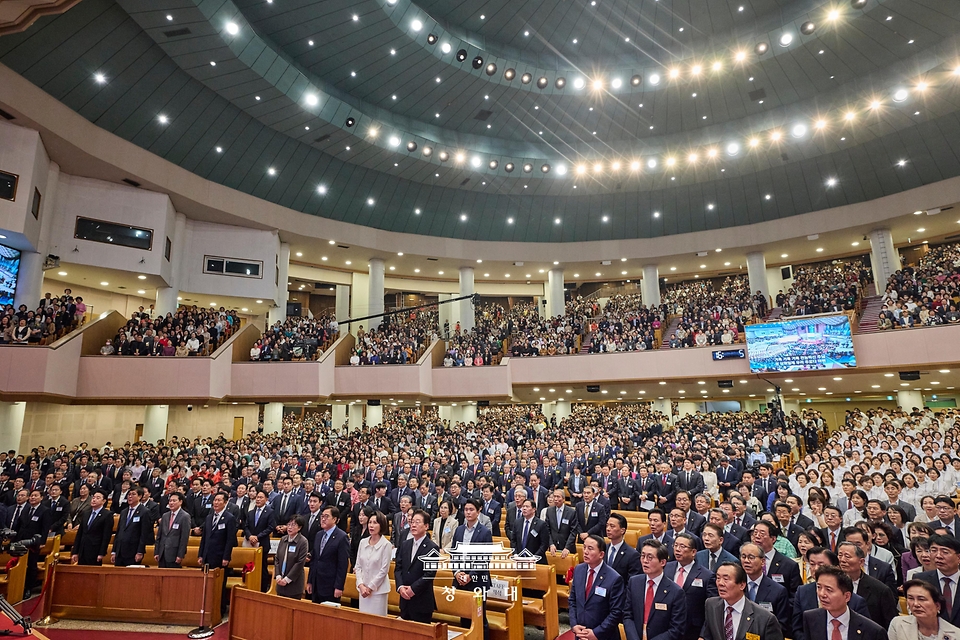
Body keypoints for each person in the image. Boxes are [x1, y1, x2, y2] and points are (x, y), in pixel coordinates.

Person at [792, 547, 872, 640]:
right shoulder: (802, 592)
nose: (816, 568)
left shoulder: (856, 601)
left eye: (821, 565)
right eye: (812, 564)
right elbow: (797, 629)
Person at [700, 562, 785, 640]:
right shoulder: (711, 605)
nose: (720, 583)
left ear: (742, 585)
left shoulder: (765, 618)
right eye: (718, 578)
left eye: (726, 579)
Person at [801, 565, 888, 640]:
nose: (822, 594)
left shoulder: (872, 631)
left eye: (829, 590)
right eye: (819, 587)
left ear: (847, 596)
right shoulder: (810, 618)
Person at [623, 539, 687, 640]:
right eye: (643, 556)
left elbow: (676, 628)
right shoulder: (634, 582)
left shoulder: (676, 592)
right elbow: (627, 616)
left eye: (650, 557)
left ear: (662, 562)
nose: (645, 561)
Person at [568, 534, 626, 640]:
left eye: (590, 549)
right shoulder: (579, 570)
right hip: (580, 633)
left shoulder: (614, 578)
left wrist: (596, 633)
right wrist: (574, 625)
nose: (585, 551)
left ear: (601, 554)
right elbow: (572, 600)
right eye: (584, 547)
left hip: (603, 635)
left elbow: (616, 612)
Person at [837, 541, 899, 630]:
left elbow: (890, 623)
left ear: (861, 562)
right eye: (840, 555)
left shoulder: (880, 590)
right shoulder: (833, 584)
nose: (842, 560)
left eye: (847, 556)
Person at [668, 532, 718, 640]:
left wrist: (703, 635)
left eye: (682, 546)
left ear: (694, 552)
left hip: (692, 631)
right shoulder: (666, 569)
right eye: (675, 545)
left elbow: (711, 609)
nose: (677, 549)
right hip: (667, 629)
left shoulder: (707, 576)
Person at [396, 509, 439, 623]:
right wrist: (400, 587)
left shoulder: (432, 548)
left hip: (421, 602)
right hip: (405, 600)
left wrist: (413, 589)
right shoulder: (405, 544)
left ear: (426, 526)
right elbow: (398, 568)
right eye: (412, 522)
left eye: (417, 522)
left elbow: (429, 574)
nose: (413, 525)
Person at [739, 542, 791, 636]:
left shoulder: (778, 591)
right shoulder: (736, 586)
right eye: (743, 556)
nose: (746, 561)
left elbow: (781, 625)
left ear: (763, 562)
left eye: (751, 557)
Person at [197, 492, 237, 615]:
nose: (216, 502)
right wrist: (201, 554)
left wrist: (226, 557)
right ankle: (207, 607)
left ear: (225, 503)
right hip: (208, 556)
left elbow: (230, 540)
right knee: (208, 584)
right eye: (215, 500)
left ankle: (220, 609)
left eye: (219, 500)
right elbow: (204, 538)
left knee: (219, 584)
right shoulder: (209, 517)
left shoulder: (229, 518)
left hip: (220, 556)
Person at [914, 534, 960, 628]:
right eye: (933, 550)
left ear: (958, 557)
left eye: (945, 552)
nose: (938, 556)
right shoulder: (921, 580)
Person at [889, 579, 960, 640]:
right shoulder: (898, 624)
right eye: (911, 598)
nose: (916, 604)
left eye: (921, 599)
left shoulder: (956, 634)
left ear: (937, 605)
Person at [307, 506, 350, 604]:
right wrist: (310, 581)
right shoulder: (318, 535)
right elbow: (314, 560)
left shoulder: (342, 537)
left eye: (326, 516)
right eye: (322, 516)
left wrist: (339, 586)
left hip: (331, 585)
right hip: (316, 583)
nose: (323, 519)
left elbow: (342, 565)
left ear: (335, 519)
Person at [356, 510, 393, 614]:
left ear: (381, 525)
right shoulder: (363, 542)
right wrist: (361, 585)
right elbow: (358, 566)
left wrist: (370, 587)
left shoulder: (386, 545)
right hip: (363, 591)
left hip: (378, 592)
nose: (371, 525)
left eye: (375, 523)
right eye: (370, 522)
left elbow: (384, 570)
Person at [111, 486, 153, 566]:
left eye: (133, 494)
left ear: (140, 496)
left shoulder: (144, 512)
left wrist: (140, 552)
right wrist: (114, 551)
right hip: (120, 551)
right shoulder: (124, 512)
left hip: (133, 551)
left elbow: (144, 534)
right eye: (129, 494)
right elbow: (119, 532)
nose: (130, 496)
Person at [244, 490, 276, 591]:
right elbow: (245, 527)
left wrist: (257, 537)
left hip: (262, 544)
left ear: (266, 500)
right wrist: (250, 536)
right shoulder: (250, 512)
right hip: (250, 543)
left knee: (262, 568)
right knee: (249, 567)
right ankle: (250, 586)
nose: (258, 499)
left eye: (261, 497)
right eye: (257, 497)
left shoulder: (270, 512)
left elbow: (270, 527)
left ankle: (262, 589)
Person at [72, 489, 112, 565]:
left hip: (95, 550)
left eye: (98, 498)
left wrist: (101, 553)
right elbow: (80, 534)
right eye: (93, 497)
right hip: (83, 550)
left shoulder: (107, 515)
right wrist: (75, 551)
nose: (94, 500)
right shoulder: (86, 513)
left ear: (103, 501)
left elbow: (106, 536)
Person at [274, 515, 309, 600]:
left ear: (299, 528)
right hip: (280, 583)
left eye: (293, 525)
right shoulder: (283, 539)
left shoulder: (303, 542)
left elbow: (300, 563)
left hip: (294, 585)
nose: (289, 527)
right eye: (289, 524)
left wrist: (287, 579)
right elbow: (277, 558)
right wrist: (278, 575)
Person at [154, 491, 191, 568]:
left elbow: (184, 538)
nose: (171, 503)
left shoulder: (185, 516)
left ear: (180, 502)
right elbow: (159, 536)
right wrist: (157, 552)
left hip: (174, 554)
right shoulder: (165, 516)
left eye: (174, 501)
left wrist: (180, 555)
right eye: (170, 501)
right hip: (162, 553)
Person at [605, 513, 642, 581]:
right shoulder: (603, 549)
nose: (608, 529)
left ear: (622, 530)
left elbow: (632, 582)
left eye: (612, 526)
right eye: (607, 525)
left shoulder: (632, 555)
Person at [511, 498, 549, 563]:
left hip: (536, 561)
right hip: (520, 560)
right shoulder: (517, 522)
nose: (524, 508)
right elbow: (513, 540)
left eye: (527, 506)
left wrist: (535, 557)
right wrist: (515, 554)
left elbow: (544, 544)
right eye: (523, 506)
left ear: (534, 509)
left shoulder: (541, 524)